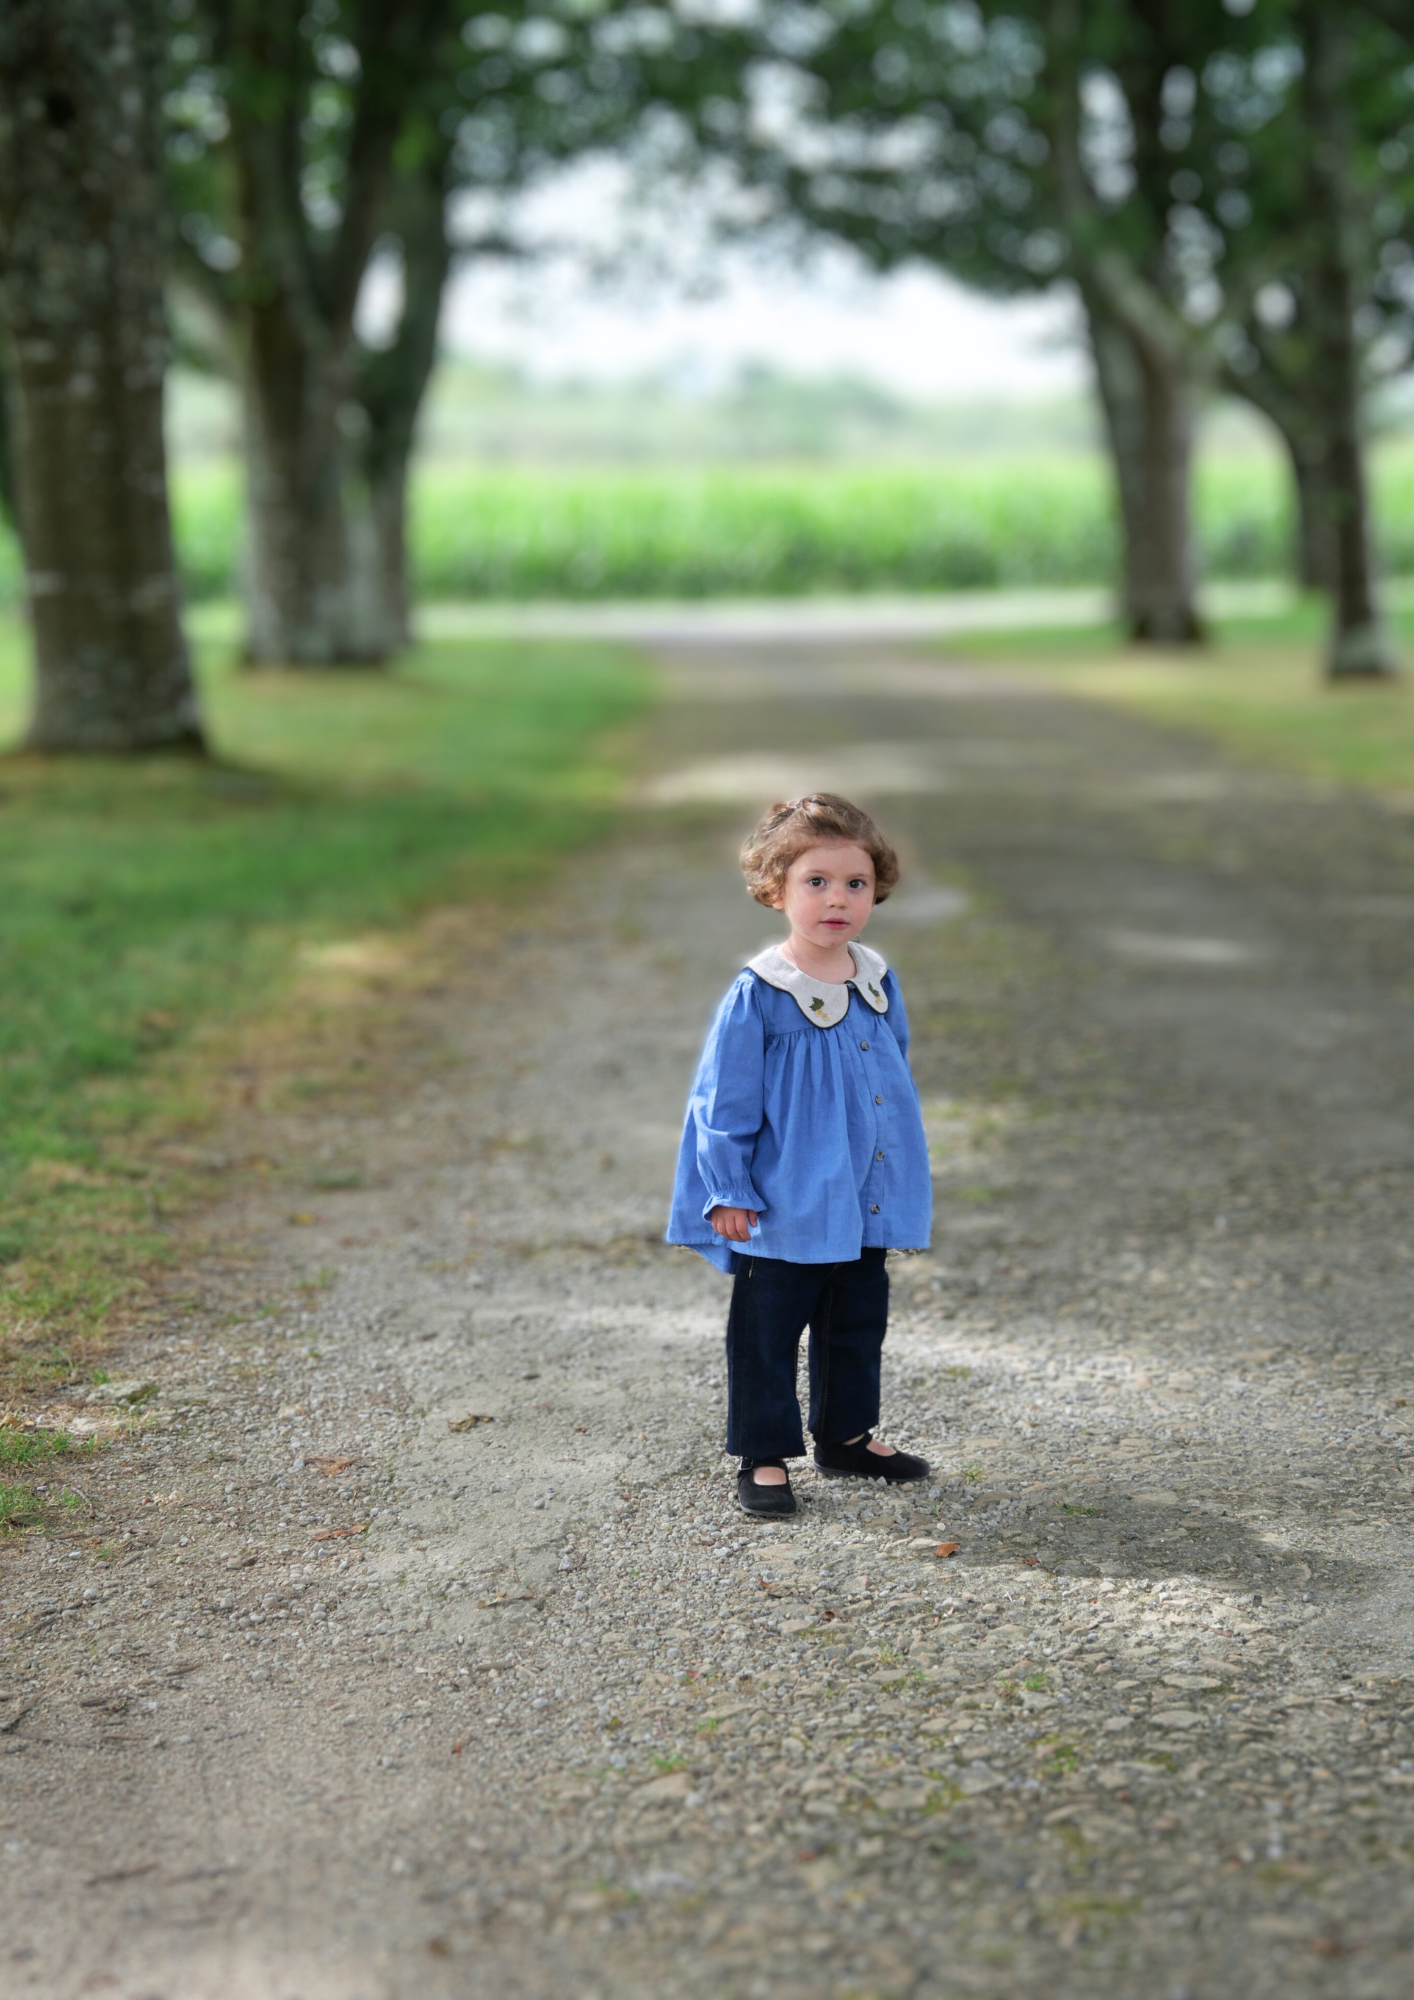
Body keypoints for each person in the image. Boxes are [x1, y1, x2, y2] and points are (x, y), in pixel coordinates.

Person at [667, 793, 933, 1518]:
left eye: (854, 883)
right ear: (775, 889)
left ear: (875, 888)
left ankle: (846, 1434)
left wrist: (892, 1170)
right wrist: (726, 1189)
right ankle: (764, 1454)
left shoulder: (874, 980)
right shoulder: (762, 993)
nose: (837, 899)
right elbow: (722, 1103)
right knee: (768, 1330)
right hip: (785, 1201)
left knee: (855, 1320)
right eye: (815, 881)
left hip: (858, 1196)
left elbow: (890, 1074)